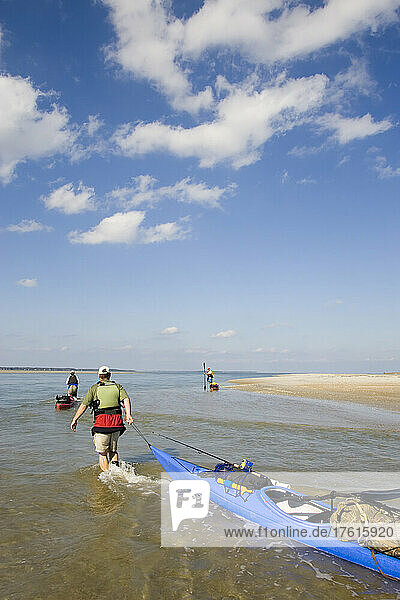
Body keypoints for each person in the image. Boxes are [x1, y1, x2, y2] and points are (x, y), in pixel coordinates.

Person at [70, 366, 133, 471]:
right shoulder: (118, 387)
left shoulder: (94, 388)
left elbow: (84, 405)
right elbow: (126, 399)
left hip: (102, 424)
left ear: (99, 376)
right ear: (109, 375)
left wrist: (75, 419)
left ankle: (108, 477)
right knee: (113, 450)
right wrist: (128, 415)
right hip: (117, 424)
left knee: (103, 453)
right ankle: (116, 472)